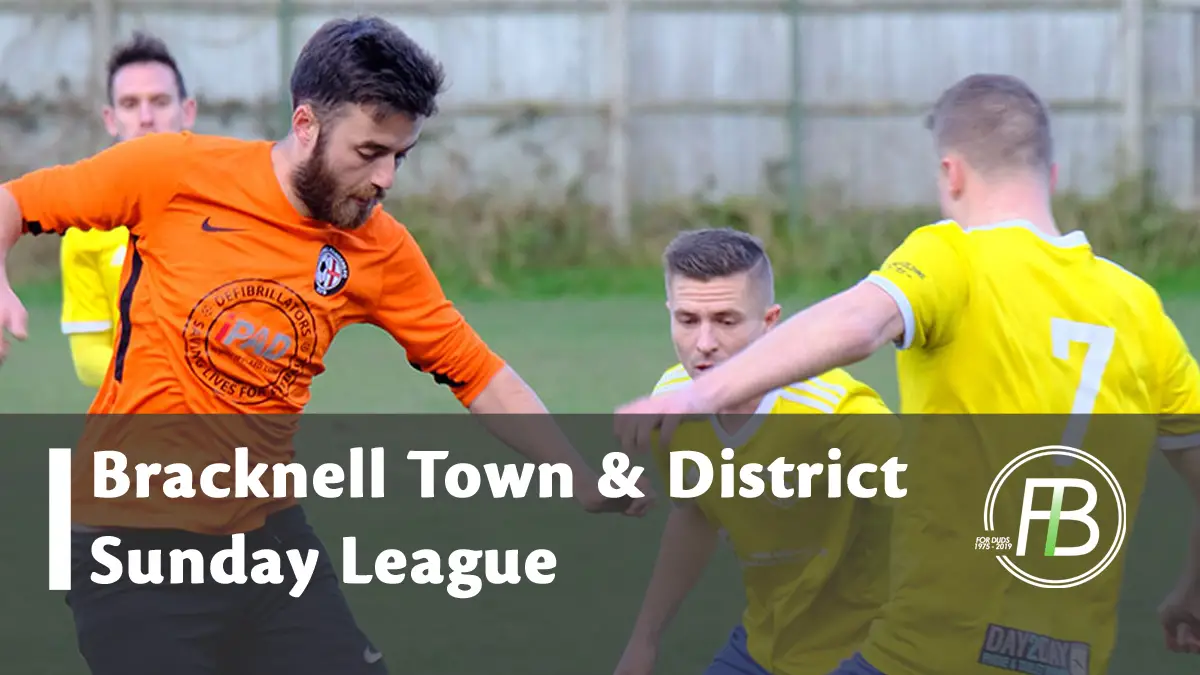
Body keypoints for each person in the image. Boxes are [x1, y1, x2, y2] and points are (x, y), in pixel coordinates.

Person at [0, 16, 652, 675]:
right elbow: (15, 202)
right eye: (369, 152)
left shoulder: (379, 246)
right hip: (128, 541)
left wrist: (576, 471)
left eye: (402, 154)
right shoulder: (173, 171)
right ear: (306, 125)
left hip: (268, 537)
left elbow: (475, 370)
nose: (387, 177)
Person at [613, 73, 1200, 674]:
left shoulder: (953, 256)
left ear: (951, 174)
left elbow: (858, 323)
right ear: (1051, 177)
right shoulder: (1143, 310)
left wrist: (701, 394)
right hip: (1069, 659)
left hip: (933, 652)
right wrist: (1193, 587)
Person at [614, 228, 899, 675]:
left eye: (726, 321)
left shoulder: (838, 415)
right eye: (688, 320)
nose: (704, 343)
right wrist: (644, 642)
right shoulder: (671, 403)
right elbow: (696, 514)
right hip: (763, 648)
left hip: (869, 654)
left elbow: (940, 521)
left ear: (770, 322)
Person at [60, 31, 196, 387]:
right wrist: (166, 385)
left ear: (188, 111)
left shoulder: (236, 204)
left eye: (161, 101)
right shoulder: (85, 228)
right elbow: (88, 356)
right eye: (131, 104)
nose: (146, 118)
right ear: (110, 118)